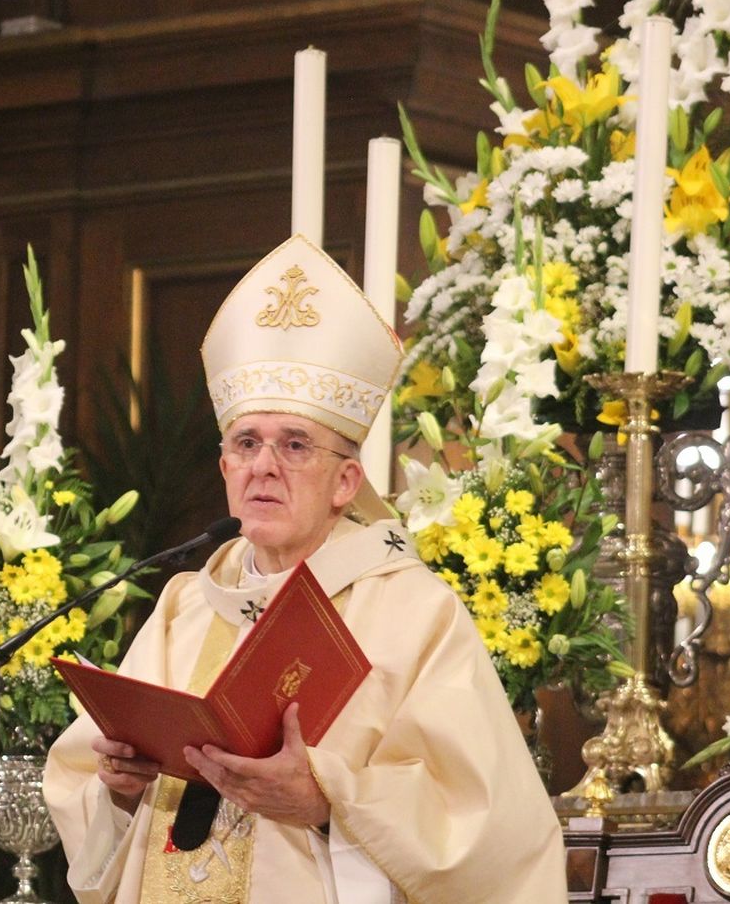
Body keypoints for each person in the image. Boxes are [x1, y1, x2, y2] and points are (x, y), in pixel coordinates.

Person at [43, 235, 566, 903]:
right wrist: (117, 790)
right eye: (246, 443)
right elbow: (87, 784)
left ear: (346, 481)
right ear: (225, 467)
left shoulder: (411, 612)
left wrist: (326, 803)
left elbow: (487, 830)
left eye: (294, 445)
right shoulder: (184, 608)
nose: (265, 465)